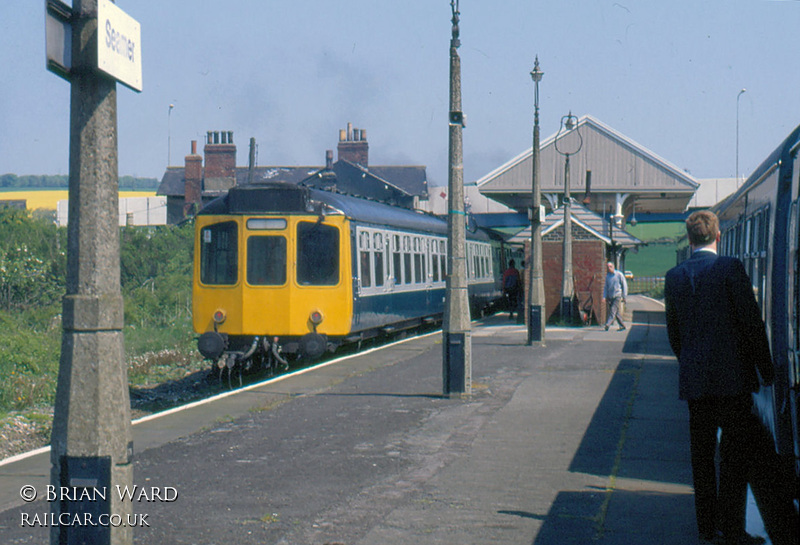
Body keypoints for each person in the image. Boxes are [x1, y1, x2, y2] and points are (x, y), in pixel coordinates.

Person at [664, 210, 774, 545]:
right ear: (718, 236)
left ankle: (706, 528)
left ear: (690, 238)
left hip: (696, 384)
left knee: (701, 457)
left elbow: (674, 333)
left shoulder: (675, 277)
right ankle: (733, 529)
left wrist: (690, 362)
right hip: (733, 382)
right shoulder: (730, 269)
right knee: (733, 457)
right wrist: (766, 370)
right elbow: (751, 323)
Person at [602, 261, 627, 331]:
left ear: (613, 267)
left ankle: (607, 324)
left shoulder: (619, 275)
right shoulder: (608, 276)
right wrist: (604, 297)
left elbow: (624, 285)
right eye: (608, 267)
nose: (609, 268)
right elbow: (605, 287)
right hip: (610, 296)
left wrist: (624, 296)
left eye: (610, 266)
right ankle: (622, 325)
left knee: (613, 310)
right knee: (616, 312)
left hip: (617, 295)